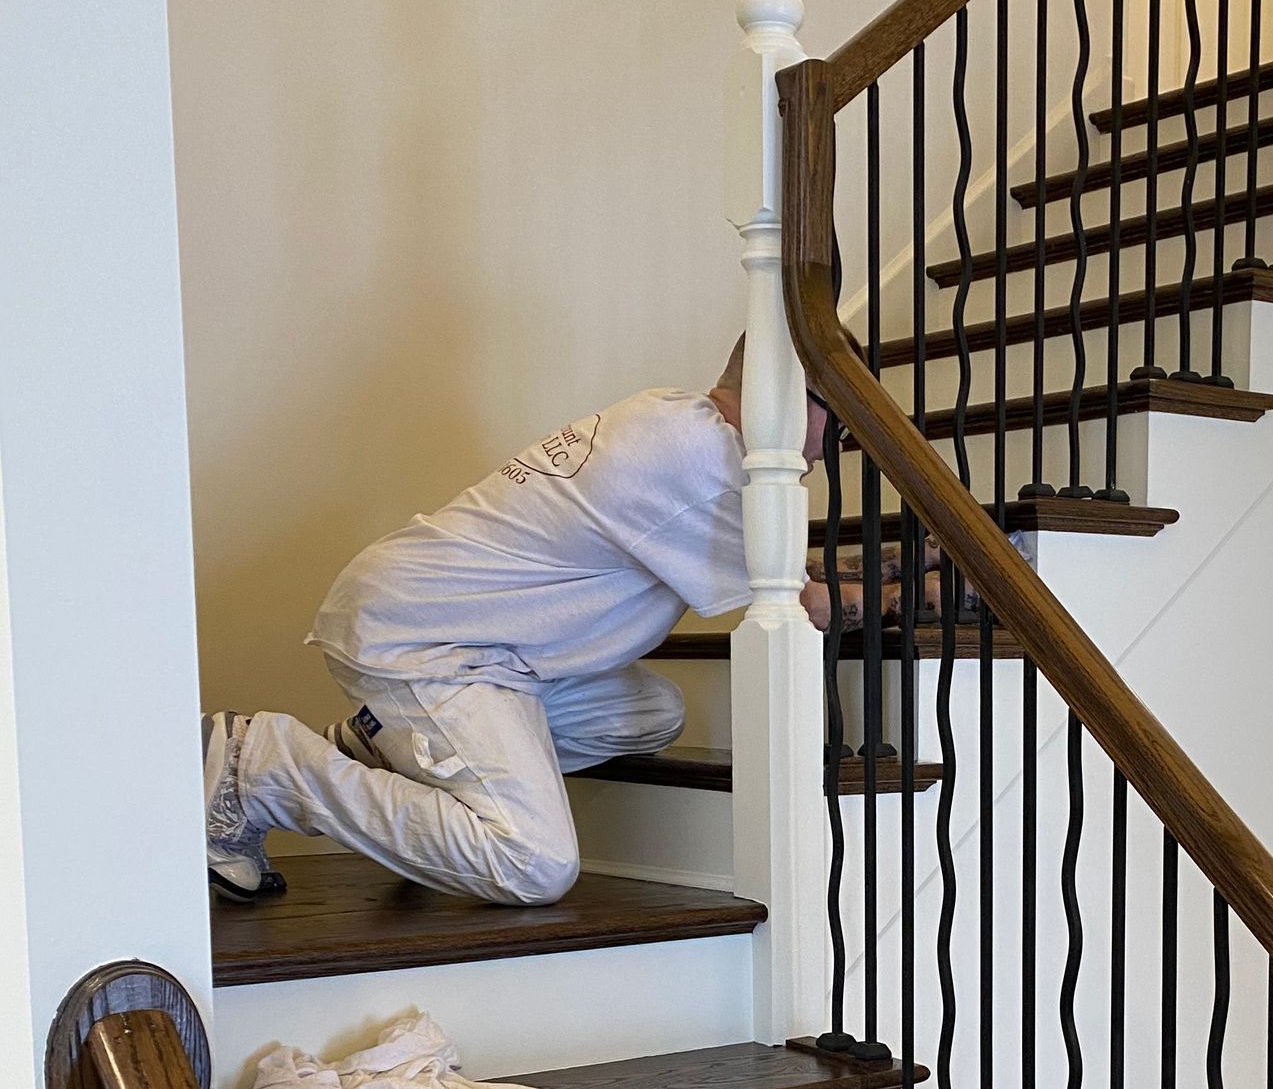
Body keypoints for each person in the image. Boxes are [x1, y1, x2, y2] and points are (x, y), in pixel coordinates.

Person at [201, 341, 835, 908]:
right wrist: (919, 585)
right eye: (836, 424)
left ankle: (385, 753)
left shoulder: (672, 415)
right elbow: (808, 602)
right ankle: (260, 765)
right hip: (424, 641)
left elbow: (785, 570)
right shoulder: (703, 462)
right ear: (781, 395)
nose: (829, 449)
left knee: (653, 713)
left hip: (494, 649)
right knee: (531, 862)